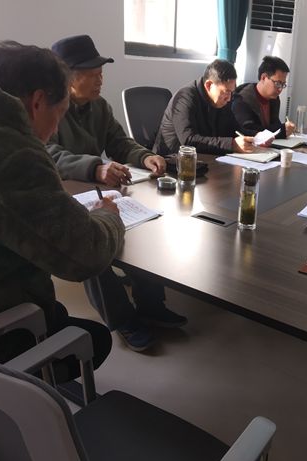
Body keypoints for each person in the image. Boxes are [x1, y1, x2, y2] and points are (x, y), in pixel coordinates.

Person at [0, 41, 125, 380]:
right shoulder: (13, 155)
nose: (55, 128)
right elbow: (86, 255)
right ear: (38, 101)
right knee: (96, 338)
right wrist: (109, 217)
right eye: (58, 114)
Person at [49, 34, 187, 352]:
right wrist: (96, 167)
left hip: (95, 192)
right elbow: (49, 154)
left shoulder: (99, 106)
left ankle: (151, 304)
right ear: (67, 77)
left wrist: (145, 156)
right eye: (92, 74)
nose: (100, 80)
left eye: (101, 73)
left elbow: (119, 142)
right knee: (89, 246)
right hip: (62, 197)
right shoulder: (52, 109)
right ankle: (123, 320)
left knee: (147, 225)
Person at [154, 59, 254, 156]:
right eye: (226, 92)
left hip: (207, 158)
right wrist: (232, 145)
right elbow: (188, 140)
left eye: (231, 92)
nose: (229, 98)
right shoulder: (185, 98)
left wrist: (256, 137)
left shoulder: (222, 100)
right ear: (209, 85)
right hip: (172, 160)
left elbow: (234, 130)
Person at [232, 56, 295, 138]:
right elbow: (248, 130)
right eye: (278, 83)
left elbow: (275, 124)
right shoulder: (242, 99)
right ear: (263, 77)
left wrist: (286, 129)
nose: (280, 89)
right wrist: (282, 130)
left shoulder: (274, 99)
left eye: (283, 84)